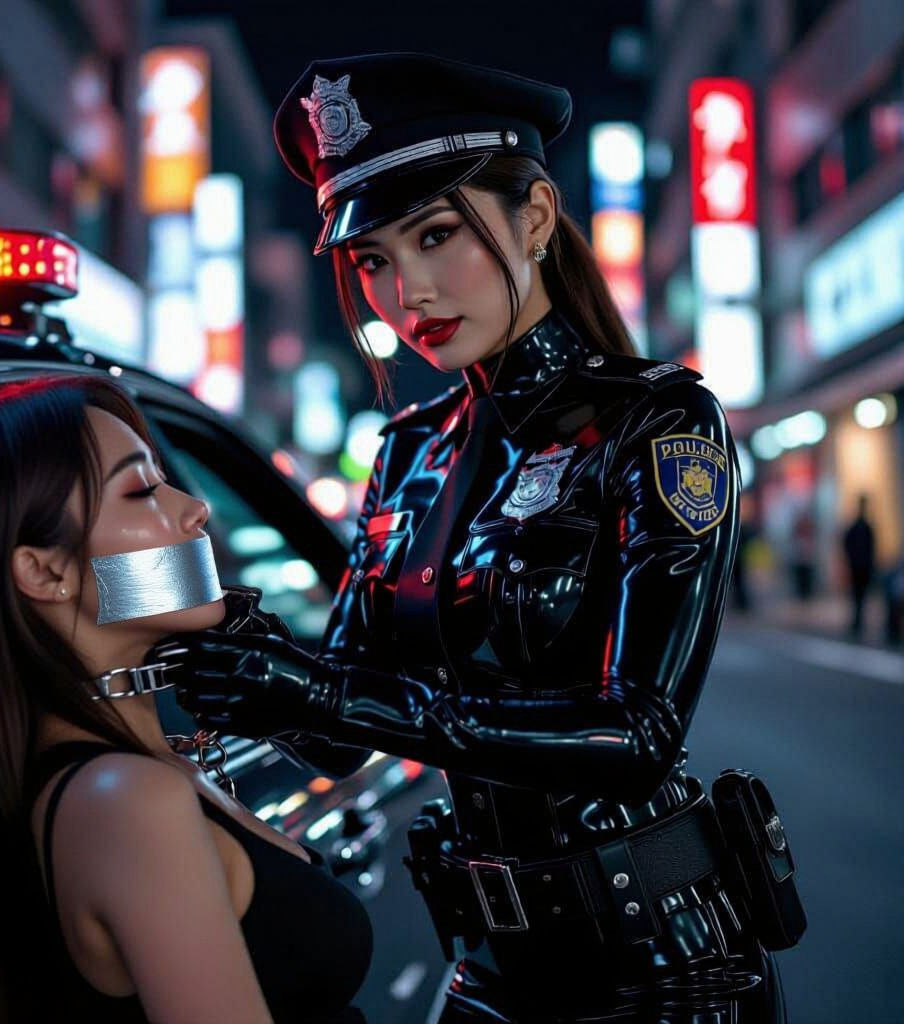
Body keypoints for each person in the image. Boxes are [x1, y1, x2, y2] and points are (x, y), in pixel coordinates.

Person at [159, 54, 793, 1022]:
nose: (405, 291)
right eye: (371, 260)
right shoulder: (406, 453)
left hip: (662, 968)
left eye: (437, 234)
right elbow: (335, 730)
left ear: (534, 217)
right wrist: (215, 655)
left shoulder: (656, 425)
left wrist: (317, 687)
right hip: (488, 965)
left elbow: (636, 733)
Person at [0, 375, 371, 1024]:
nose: (194, 508)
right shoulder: (125, 799)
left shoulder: (143, 765)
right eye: (143, 488)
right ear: (44, 572)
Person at [842, 494, 876, 638]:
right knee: (857, 595)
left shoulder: (866, 527)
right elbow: (847, 543)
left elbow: (872, 547)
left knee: (861, 595)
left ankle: (858, 620)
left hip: (863, 566)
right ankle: (856, 620)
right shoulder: (857, 527)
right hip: (857, 566)